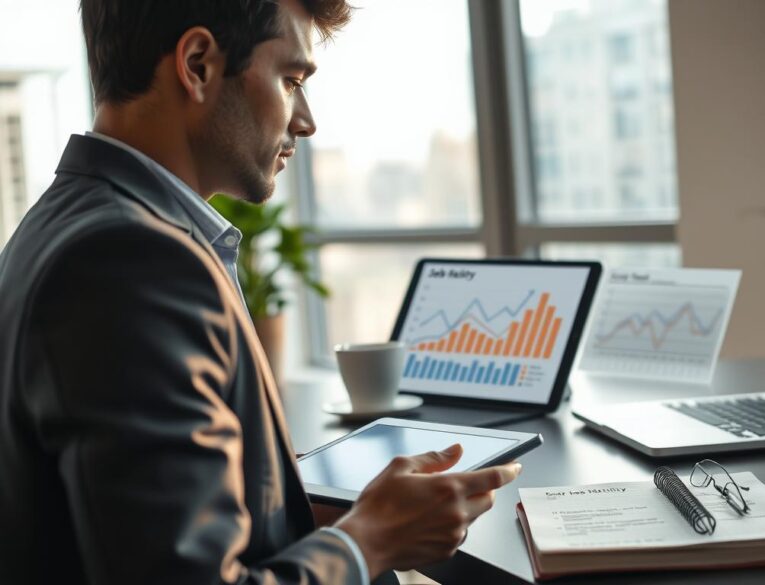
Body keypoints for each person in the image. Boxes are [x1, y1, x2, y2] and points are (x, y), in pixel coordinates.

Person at [0, 1, 521, 583]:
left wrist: (339, 518)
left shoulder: (66, 221)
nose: (306, 120)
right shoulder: (132, 261)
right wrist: (369, 541)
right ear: (197, 65)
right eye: (292, 80)